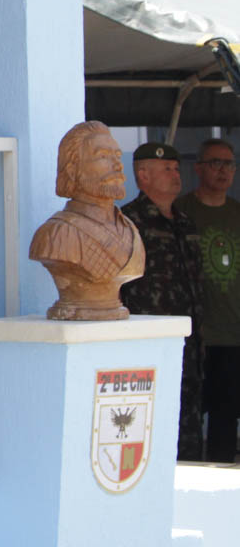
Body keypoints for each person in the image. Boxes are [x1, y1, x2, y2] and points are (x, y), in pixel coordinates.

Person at [119, 140, 204, 461]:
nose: (176, 174)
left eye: (176, 168)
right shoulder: (128, 223)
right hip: (146, 349)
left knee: (189, 437)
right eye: (167, 169)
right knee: (150, 435)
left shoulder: (185, 222)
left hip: (189, 348)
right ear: (143, 175)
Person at [28, 122, 143, 320]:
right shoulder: (55, 235)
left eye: (117, 156)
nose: (118, 165)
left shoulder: (130, 230)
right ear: (73, 169)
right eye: (103, 156)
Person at [175, 137, 240, 462]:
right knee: (185, 415)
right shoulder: (181, 212)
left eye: (229, 164)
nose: (223, 170)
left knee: (226, 419)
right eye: (216, 163)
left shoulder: (237, 213)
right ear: (198, 168)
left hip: (232, 335)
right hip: (193, 336)